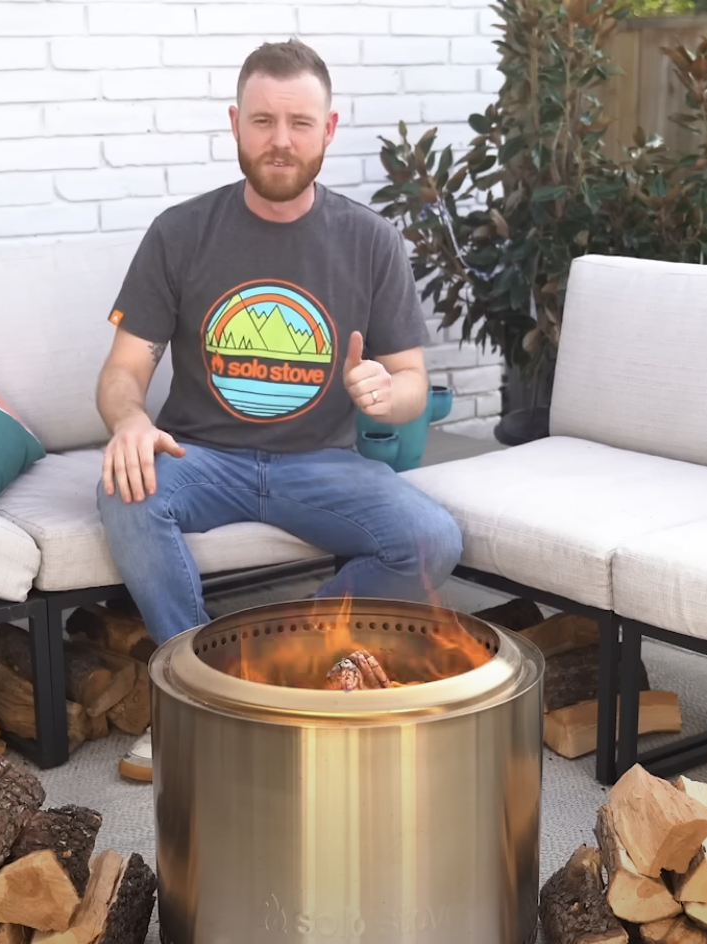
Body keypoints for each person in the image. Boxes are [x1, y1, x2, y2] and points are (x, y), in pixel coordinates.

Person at [96, 39, 464, 779]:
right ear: (236, 123)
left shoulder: (370, 239)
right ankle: (193, 705)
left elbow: (413, 381)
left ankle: (259, 666)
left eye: (300, 122)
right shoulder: (180, 232)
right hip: (203, 457)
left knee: (432, 538)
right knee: (124, 491)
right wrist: (132, 420)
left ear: (329, 130)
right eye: (263, 120)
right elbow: (122, 370)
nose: (281, 140)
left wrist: (389, 396)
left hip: (323, 462)